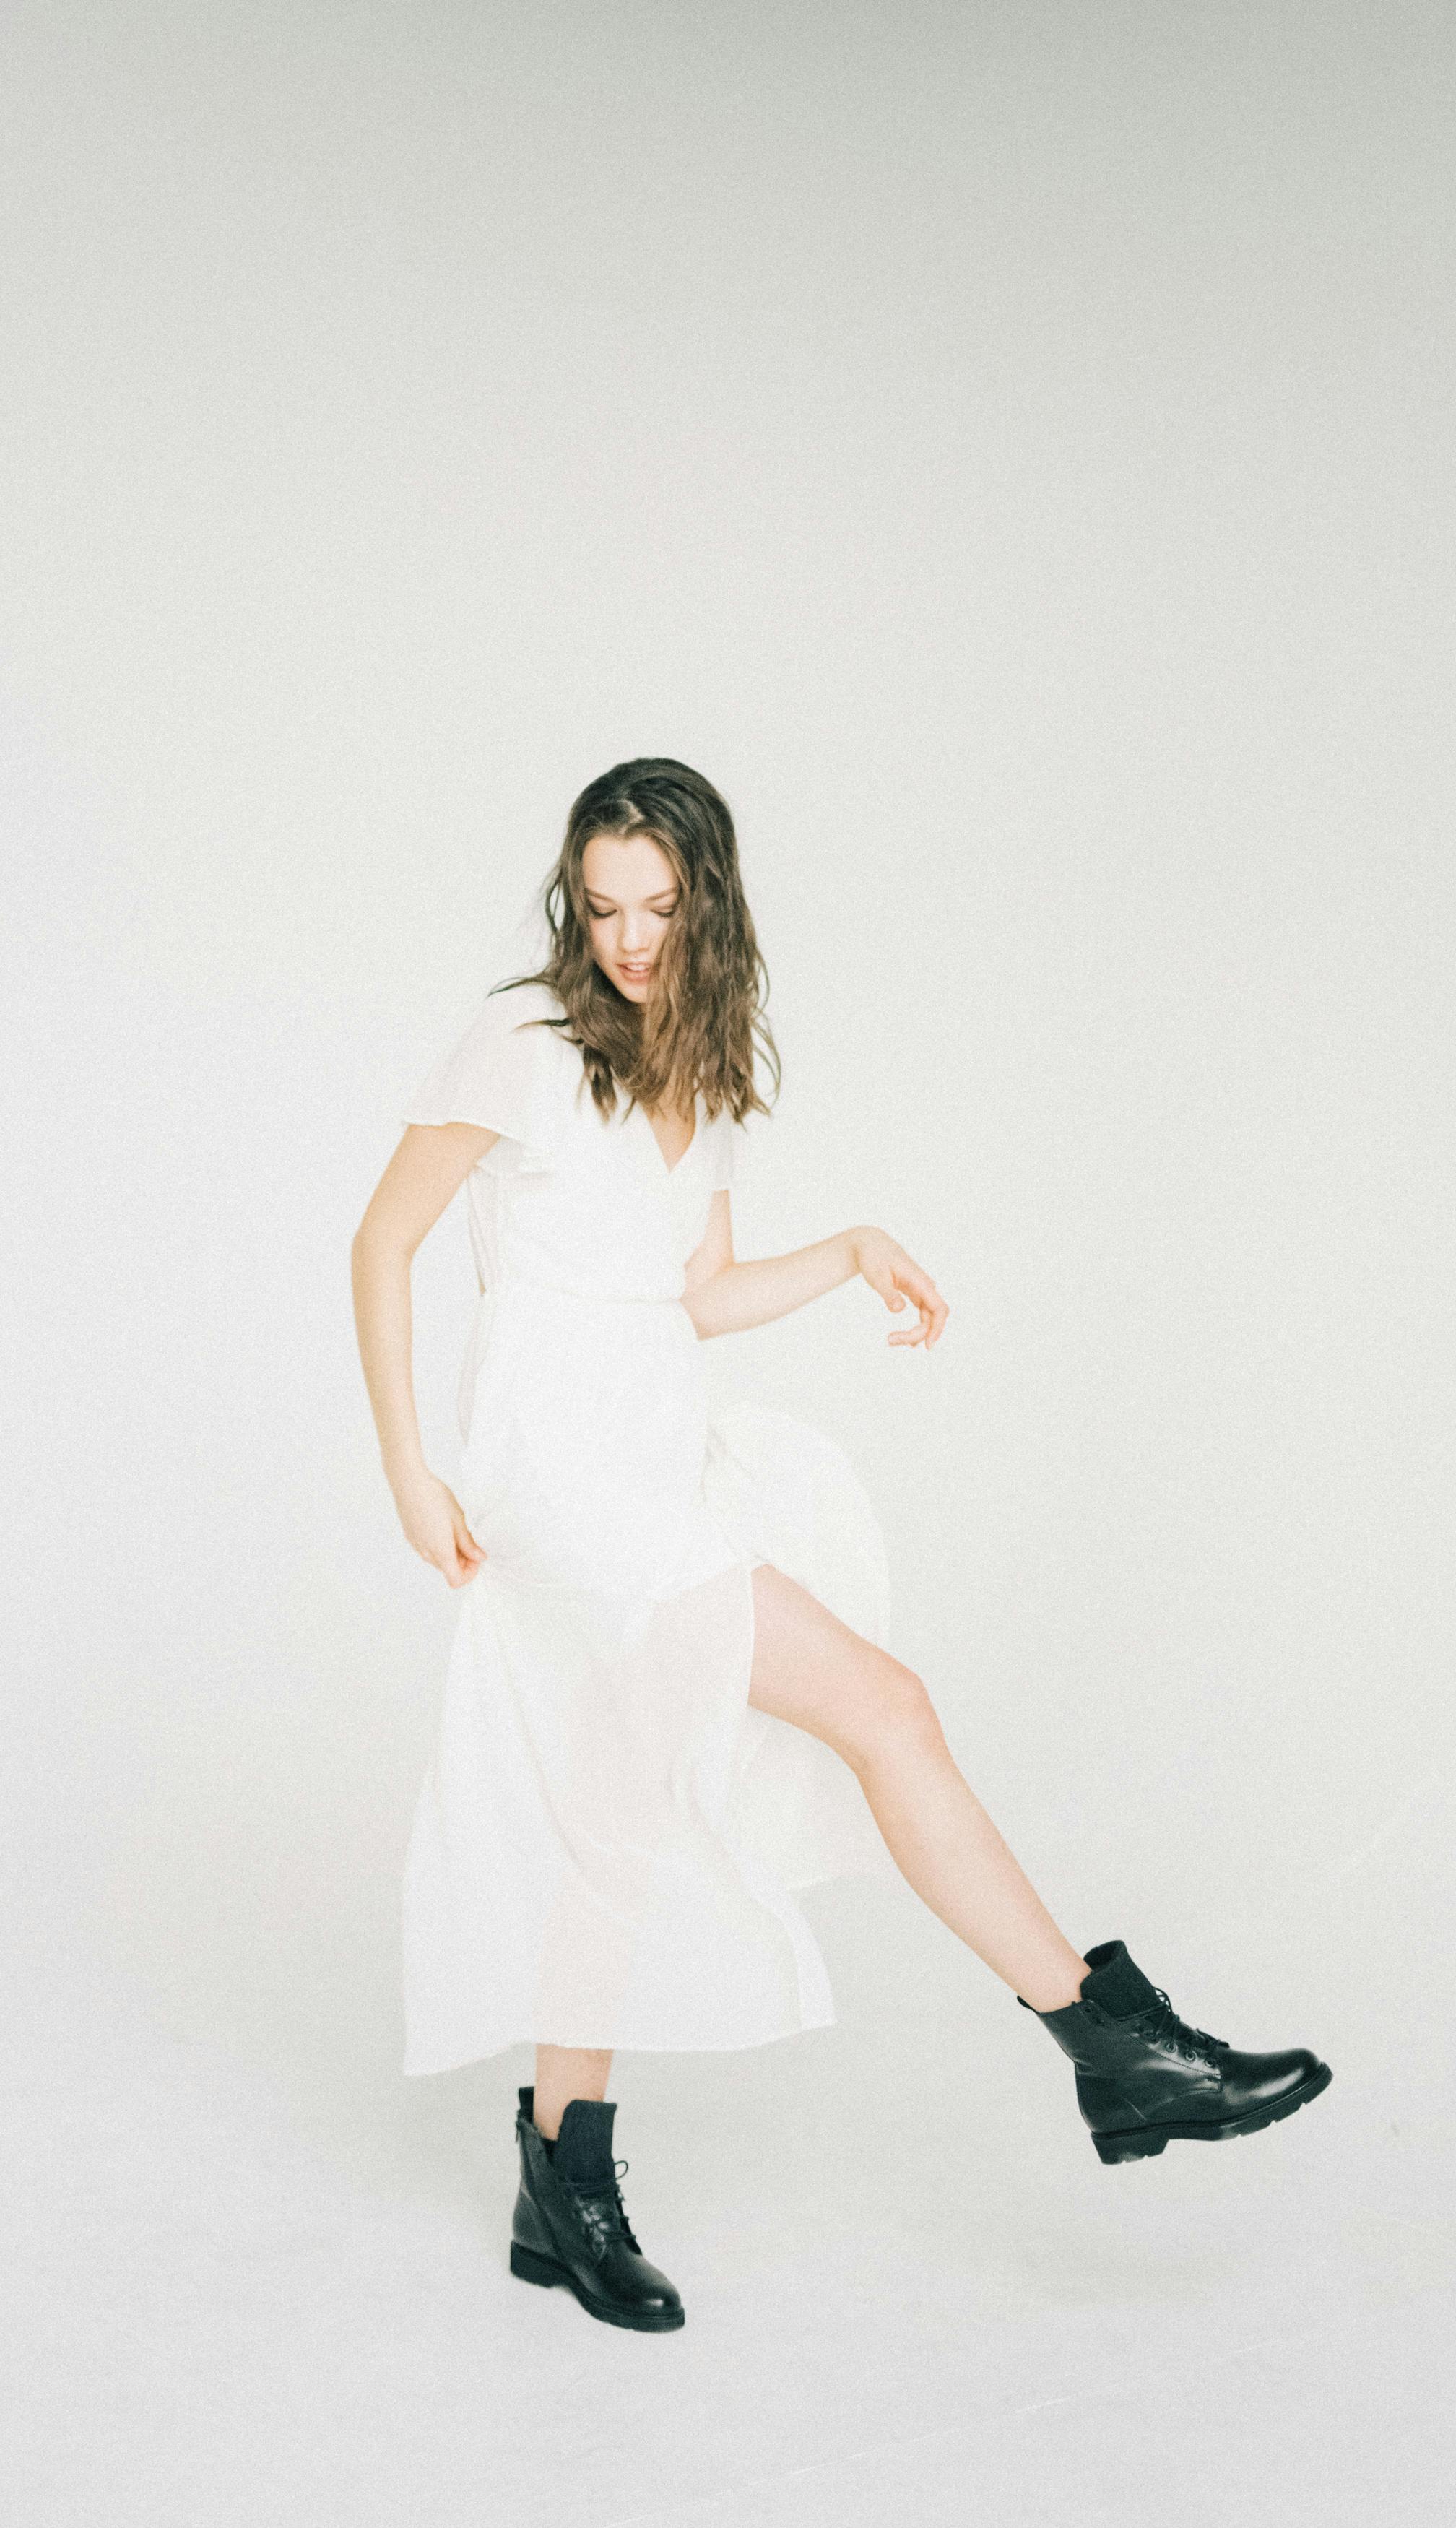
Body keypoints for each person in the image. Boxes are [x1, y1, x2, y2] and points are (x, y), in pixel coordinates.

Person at [349, 758, 1330, 2337]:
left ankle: (559, 2170)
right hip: (557, 1466)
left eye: (658, 908)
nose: (629, 939)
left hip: (657, 1442)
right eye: (602, 908)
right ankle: (1113, 2045)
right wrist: (408, 1462)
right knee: (883, 1704)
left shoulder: (706, 1061)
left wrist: (854, 1246)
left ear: (705, 899)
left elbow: (697, 1293)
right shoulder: (522, 1037)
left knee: (616, 1811)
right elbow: (381, 1238)